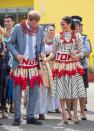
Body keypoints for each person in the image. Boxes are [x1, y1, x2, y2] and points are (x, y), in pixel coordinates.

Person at [43, 16, 86, 124]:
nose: (61, 26)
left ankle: (75, 115)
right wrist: (46, 59)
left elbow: (82, 51)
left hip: (73, 65)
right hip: (60, 66)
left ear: (69, 24)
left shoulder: (77, 36)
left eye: (63, 24)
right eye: (60, 24)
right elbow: (54, 52)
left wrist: (77, 56)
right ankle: (64, 116)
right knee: (61, 91)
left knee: (74, 91)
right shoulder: (58, 36)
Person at [7, 10, 45, 126]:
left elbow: (42, 44)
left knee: (34, 93)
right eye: (34, 23)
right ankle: (17, 118)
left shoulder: (40, 29)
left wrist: (42, 52)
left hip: (33, 65)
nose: (36, 26)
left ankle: (30, 116)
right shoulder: (18, 28)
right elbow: (9, 43)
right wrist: (17, 54)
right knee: (17, 93)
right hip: (20, 65)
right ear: (29, 19)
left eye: (37, 23)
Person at [71, 16, 91, 120]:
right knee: (72, 89)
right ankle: (72, 113)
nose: (75, 27)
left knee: (82, 89)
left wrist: (79, 55)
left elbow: (87, 49)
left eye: (77, 25)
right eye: (73, 26)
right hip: (70, 66)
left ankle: (82, 112)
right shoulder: (67, 37)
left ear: (79, 26)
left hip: (82, 66)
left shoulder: (84, 37)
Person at [4, 15, 15, 113]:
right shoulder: (1, 33)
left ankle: (12, 103)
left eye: (8, 21)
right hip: (3, 61)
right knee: (4, 83)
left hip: (14, 60)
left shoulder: (17, 32)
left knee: (13, 83)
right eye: (5, 21)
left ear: (13, 22)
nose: (7, 23)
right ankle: (4, 104)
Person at [0, 26, 10, 124]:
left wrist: (8, 66)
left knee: (4, 89)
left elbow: (7, 55)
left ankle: (3, 110)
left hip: (3, 68)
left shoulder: (4, 41)